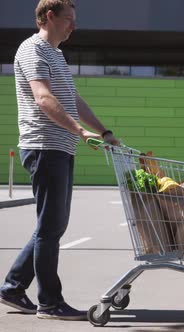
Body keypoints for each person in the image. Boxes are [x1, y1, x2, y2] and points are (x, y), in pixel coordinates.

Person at [0, 0, 119, 320]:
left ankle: (13, 287)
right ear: (49, 17)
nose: (74, 26)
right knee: (50, 228)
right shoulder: (33, 49)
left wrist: (103, 131)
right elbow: (43, 99)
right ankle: (50, 303)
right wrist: (80, 132)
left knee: (51, 226)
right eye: (69, 19)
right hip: (44, 147)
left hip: (59, 148)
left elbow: (72, 98)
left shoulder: (56, 53)